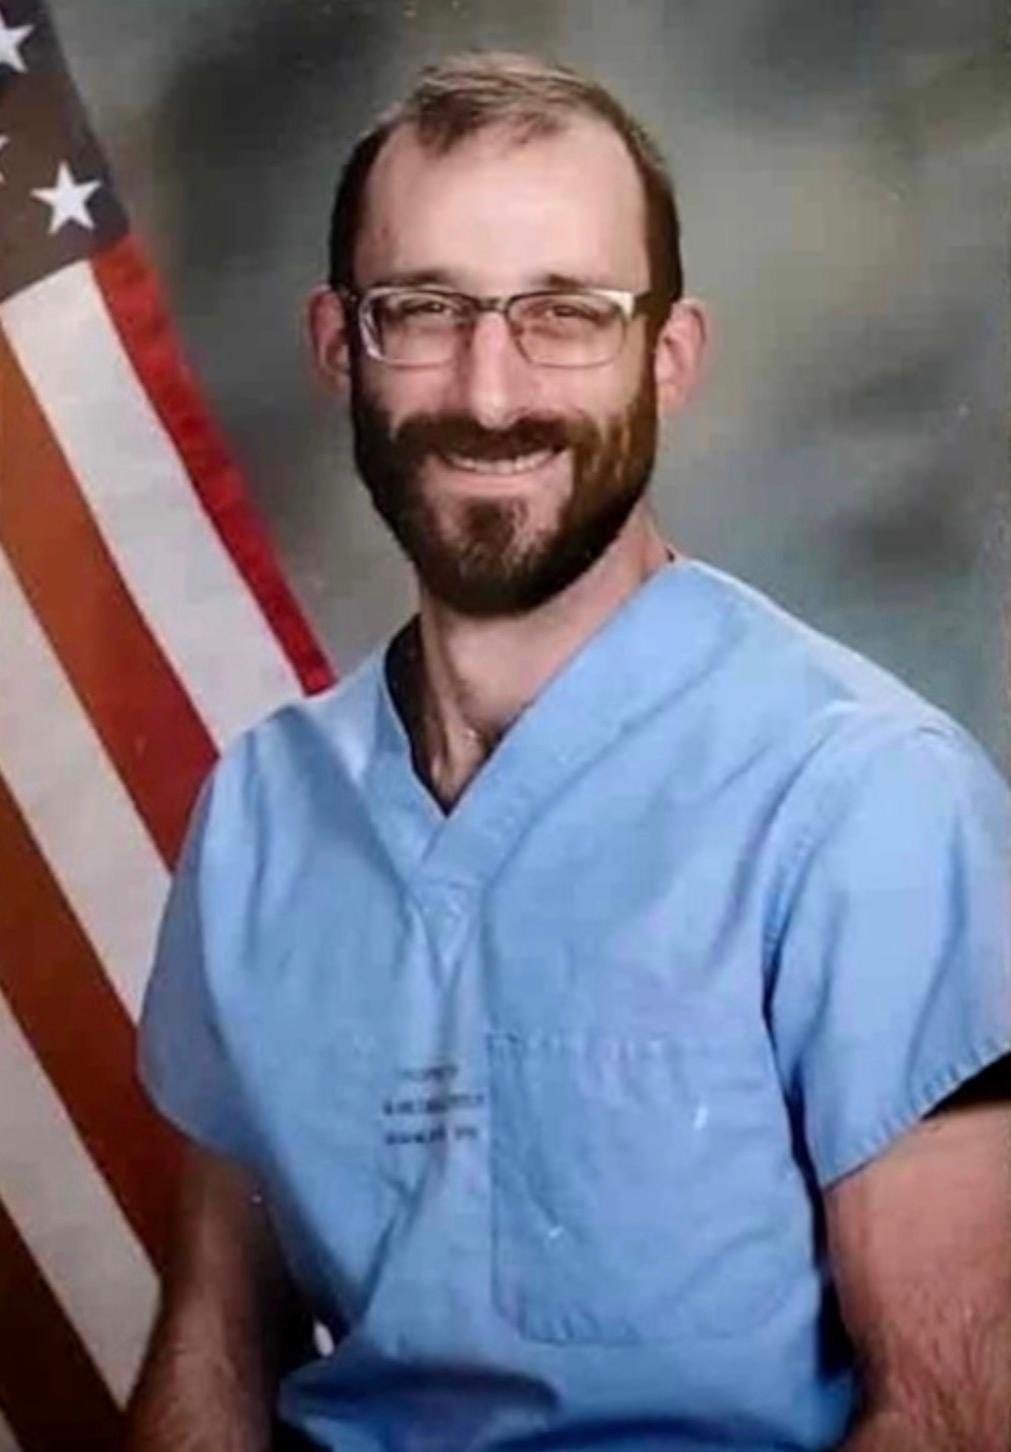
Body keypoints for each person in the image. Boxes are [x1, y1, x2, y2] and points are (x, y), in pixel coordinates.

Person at [126, 51, 1011, 1452]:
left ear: (669, 358)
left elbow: (958, 1415)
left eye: (566, 315)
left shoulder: (866, 801)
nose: (490, 391)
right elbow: (213, 1349)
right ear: (335, 342)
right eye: (423, 310)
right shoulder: (261, 816)